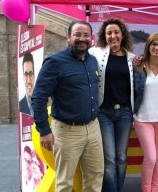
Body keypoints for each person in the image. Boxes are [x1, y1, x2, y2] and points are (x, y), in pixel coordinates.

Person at [32, 20, 104, 192]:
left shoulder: (92, 61)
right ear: (68, 38)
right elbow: (39, 97)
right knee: (64, 182)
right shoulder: (55, 63)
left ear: (91, 38)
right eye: (77, 35)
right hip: (66, 132)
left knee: (95, 177)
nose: (82, 39)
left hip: (93, 128)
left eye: (86, 35)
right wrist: (44, 130)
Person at [89, 18, 135, 192]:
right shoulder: (95, 53)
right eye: (109, 33)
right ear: (104, 35)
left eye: (116, 32)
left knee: (122, 157)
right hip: (103, 113)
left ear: (122, 34)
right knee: (109, 158)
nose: (113, 36)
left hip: (124, 113)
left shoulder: (132, 58)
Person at [133, 33, 158, 192]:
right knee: (151, 157)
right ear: (148, 46)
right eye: (153, 44)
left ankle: (154, 190)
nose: (156, 47)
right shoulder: (139, 66)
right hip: (143, 119)